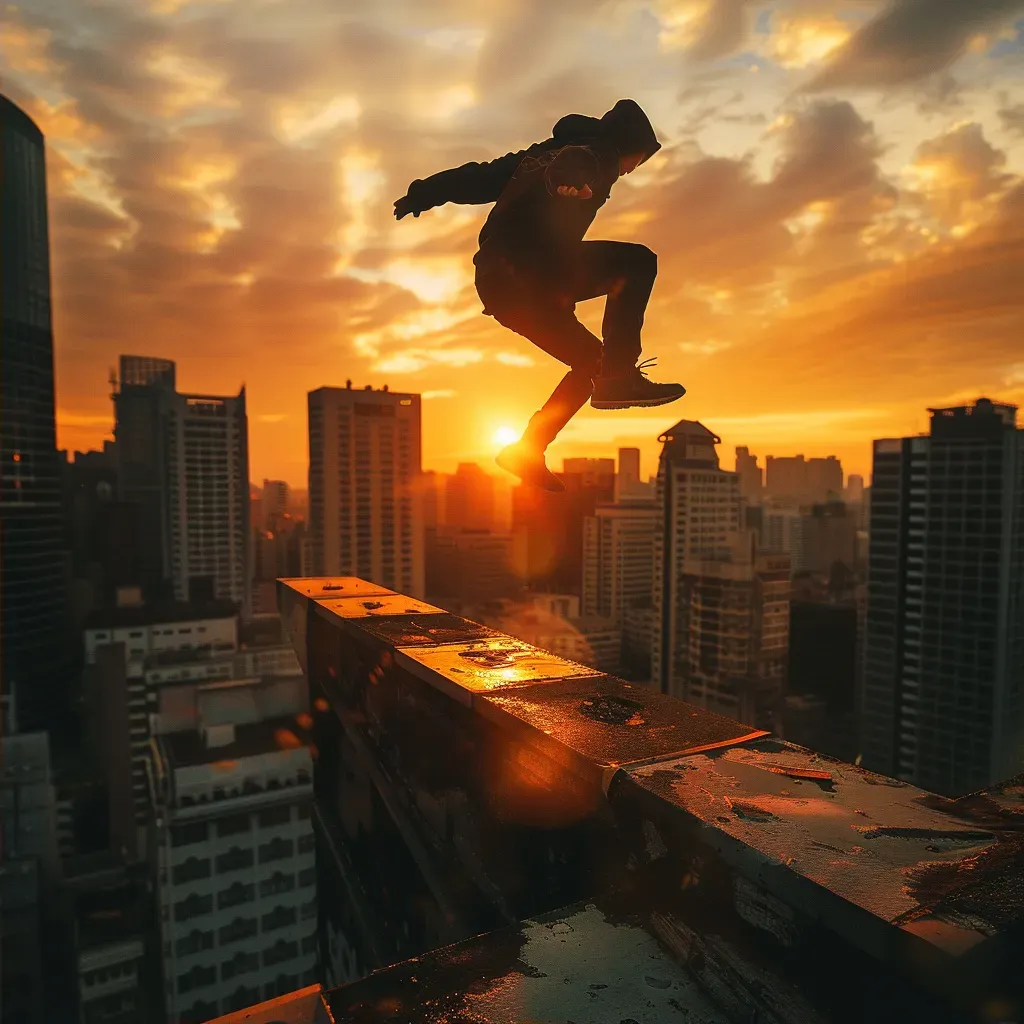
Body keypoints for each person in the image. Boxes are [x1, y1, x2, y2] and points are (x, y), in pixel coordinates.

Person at [393, 99, 685, 492]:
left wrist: (423, 193)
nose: (632, 169)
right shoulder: (599, 153)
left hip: (501, 286)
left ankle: (527, 450)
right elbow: (577, 162)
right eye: (638, 160)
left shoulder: (535, 157)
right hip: (531, 271)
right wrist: (568, 178)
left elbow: (479, 178)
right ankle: (620, 376)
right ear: (628, 146)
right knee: (638, 263)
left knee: (588, 362)